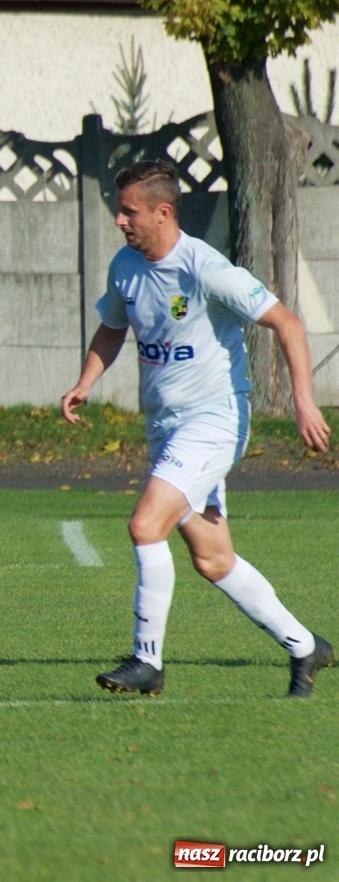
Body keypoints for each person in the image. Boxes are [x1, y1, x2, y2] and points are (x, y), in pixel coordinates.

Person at [62, 160, 334, 697]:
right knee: (212, 559)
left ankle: (148, 662)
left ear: (163, 213)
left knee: (145, 525)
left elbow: (288, 322)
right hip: (165, 427)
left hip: (214, 421)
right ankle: (306, 647)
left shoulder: (205, 268)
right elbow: (113, 328)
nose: (119, 220)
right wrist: (86, 381)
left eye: (128, 211)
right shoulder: (126, 267)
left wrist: (305, 402)